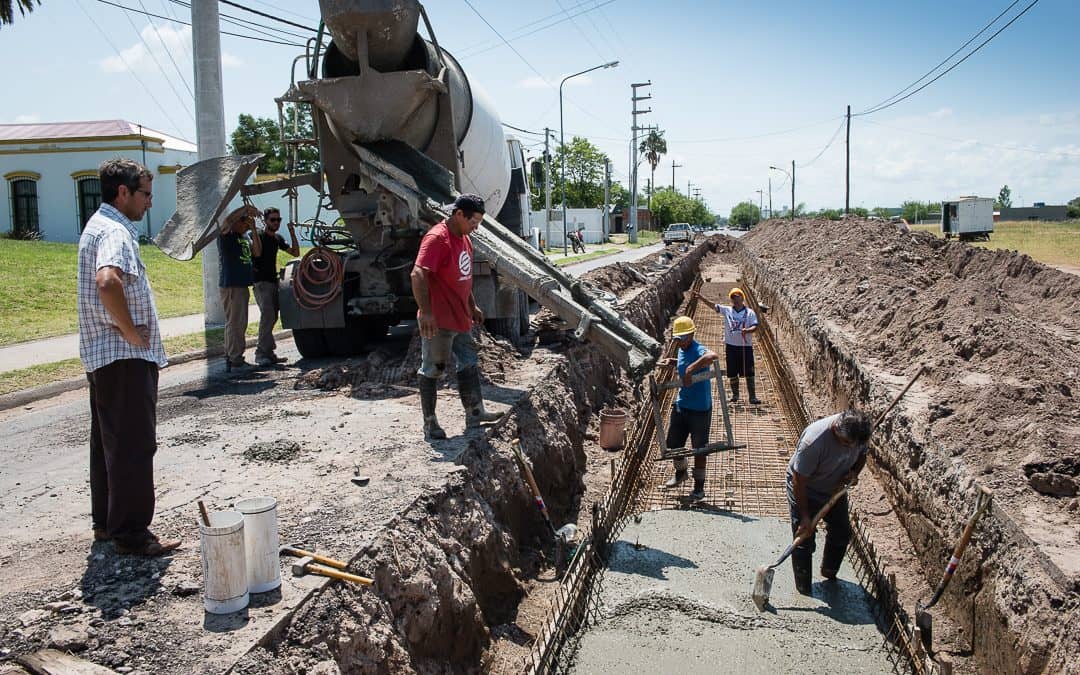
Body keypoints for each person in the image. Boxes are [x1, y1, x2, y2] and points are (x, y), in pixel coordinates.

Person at [77, 158, 179, 557]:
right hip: (123, 357)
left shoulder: (96, 225)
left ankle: (107, 524)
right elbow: (107, 281)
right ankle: (132, 533)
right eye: (145, 194)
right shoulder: (116, 231)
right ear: (123, 192)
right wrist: (131, 331)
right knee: (134, 444)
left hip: (104, 357)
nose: (149, 203)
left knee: (108, 443)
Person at [411, 194, 501, 439]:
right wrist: (426, 313)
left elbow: (463, 277)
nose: (476, 226)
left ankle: (475, 412)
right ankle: (430, 423)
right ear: (459, 214)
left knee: (469, 360)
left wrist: (472, 306)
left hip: (461, 317)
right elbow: (418, 275)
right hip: (439, 320)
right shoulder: (437, 238)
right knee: (433, 368)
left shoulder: (465, 239)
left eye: (479, 222)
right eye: (474, 221)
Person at [785, 409, 872, 594]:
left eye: (853, 445)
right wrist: (805, 517)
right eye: (846, 444)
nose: (850, 448)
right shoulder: (814, 441)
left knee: (842, 532)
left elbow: (862, 455)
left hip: (834, 488)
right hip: (805, 488)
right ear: (835, 430)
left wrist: (854, 472)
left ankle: (829, 572)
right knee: (803, 539)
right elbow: (798, 480)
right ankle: (804, 588)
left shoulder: (857, 434)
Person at [659, 315, 719, 501]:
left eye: (684, 338)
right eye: (678, 338)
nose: (681, 342)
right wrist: (674, 362)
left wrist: (692, 368)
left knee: (699, 449)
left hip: (700, 408)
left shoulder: (697, 348)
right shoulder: (681, 350)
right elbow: (684, 363)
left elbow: (713, 356)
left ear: (692, 334)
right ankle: (681, 472)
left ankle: (699, 489)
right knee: (673, 443)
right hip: (682, 405)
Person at [251, 207, 300, 366]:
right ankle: (260, 354)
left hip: (272, 281)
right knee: (268, 316)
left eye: (278, 220)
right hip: (261, 282)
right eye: (273, 220)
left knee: (272, 317)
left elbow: (295, 252)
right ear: (265, 221)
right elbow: (256, 254)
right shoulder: (258, 236)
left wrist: (292, 233)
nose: (276, 223)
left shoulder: (277, 238)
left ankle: (269, 352)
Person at [695, 287, 760, 404]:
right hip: (731, 346)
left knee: (749, 371)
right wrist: (701, 298)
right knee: (732, 371)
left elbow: (755, 326)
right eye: (733, 297)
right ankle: (735, 395)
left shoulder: (750, 313)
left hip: (745, 347)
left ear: (742, 297)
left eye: (737, 296)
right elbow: (714, 306)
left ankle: (752, 396)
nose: (735, 299)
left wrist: (748, 330)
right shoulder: (728, 310)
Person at [217, 204, 262, 371]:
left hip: (241, 284)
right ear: (236, 222)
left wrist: (254, 230)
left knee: (238, 322)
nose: (245, 224)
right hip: (232, 285)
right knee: (235, 323)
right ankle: (236, 359)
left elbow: (257, 252)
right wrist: (245, 208)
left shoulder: (245, 238)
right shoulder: (227, 236)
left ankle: (232, 356)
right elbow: (227, 220)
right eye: (243, 222)